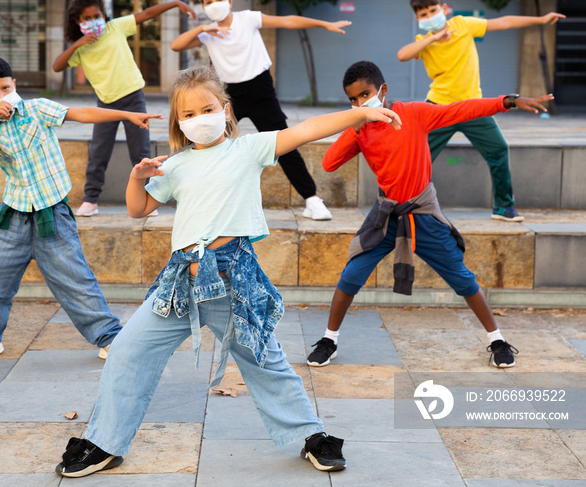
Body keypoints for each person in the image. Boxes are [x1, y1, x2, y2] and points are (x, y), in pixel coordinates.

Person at [54, 66, 403, 478]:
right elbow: (138, 210)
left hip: (230, 277)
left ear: (225, 109)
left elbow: (308, 128)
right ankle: (105, 443)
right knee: (128, 350)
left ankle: (312, 435)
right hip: (180, 281)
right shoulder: (176, 165)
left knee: (264, 359)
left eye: (207, 108)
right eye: (188, 113)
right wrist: (136, 177)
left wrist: (361, 115)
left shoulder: (249, 149)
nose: (199, 117)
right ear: (179, 122)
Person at [306, 61, 553, 369]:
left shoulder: (413, 113)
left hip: (422, 213)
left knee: (463, 279)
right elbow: (329, 163)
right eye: (353, 100)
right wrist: (353, 125)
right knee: (351, 275)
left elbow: (462, 109)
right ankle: (329, 339)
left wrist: (510, 101)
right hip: (386, 214)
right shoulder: (361, 129)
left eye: (365, 95)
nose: (359, 103)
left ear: (382, 91)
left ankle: (497, 340)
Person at [0, 55, 161, 363]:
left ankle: (110, 338)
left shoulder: (37, 109)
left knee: (75, 280)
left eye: (4, 87)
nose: (0, 96)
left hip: (53, 215)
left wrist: (127, 115)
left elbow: (82, 113)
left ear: (14, 85)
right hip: (12, 217)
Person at [170, 0, 351, 221]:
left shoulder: (248, 18)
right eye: (208, 2)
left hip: (260, 90)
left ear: (230, 0)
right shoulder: (207, 33)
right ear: (203, 7)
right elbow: (175, 45)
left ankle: (311, 199)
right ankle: (200, 198)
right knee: (208, 140)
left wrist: (323, 24)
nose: (215, 4)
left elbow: (286, 21)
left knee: (285, 143)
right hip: (228, 95)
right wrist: (202, 28)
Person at [397, 0, 565, 222]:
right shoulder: (423, 41)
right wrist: (433, 38)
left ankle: (503, 207)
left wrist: (540, 19)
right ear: (417, 19)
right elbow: (402, 55)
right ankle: (405, 205)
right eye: (423, 14)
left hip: (474, 108)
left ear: (444, 9)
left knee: (498, 149)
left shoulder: (463, 25)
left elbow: (503, 22)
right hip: (438, 108)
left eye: (433, 10)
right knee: (418, 157)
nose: (429, 16)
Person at [53, 0, 196, 217]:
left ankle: (148, 198)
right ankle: (90, 200)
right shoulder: (80, 48)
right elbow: (57, 66)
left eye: (96, 15)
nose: (92, 21)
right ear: (78, 22)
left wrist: (176, 3)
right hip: (105, 105)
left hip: (132, 98)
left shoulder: (115, 27)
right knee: (99, 153)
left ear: (103, 14)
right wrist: (77, 44)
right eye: (86, 19)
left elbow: (147, 13)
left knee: (140, 151)